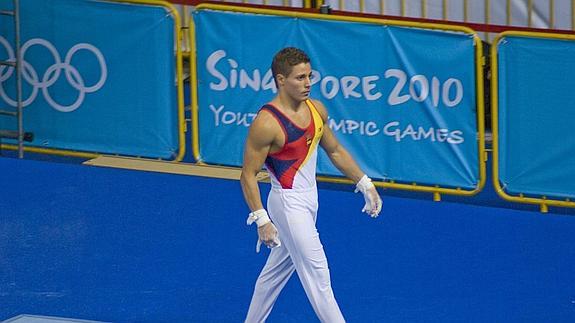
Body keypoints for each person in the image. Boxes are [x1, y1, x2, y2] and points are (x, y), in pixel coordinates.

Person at [240, 47, 382, 323]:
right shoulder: (266, 123)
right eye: (299, 78)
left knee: (273, 275)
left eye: (309, 76)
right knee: (319, 278)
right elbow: (247, 175)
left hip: (309, 201)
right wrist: (261, 219)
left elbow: (336, 150)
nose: (308, 83)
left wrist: (365, 183)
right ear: (281, 80)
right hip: (287, 205)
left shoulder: (317, 109)